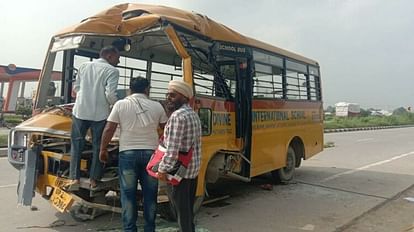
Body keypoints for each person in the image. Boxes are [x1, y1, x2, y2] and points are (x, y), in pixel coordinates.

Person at [99, 77, 168, 232]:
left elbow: (109, 129)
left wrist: (102, 149)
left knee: (128, 194)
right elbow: (167, 130)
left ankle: (130, 229)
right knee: (150, 194)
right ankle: (150, 228)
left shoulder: (121, 104)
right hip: (151, 155)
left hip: (128, 154)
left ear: (130, 89)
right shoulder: (157, 106)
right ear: (147, 89)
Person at [68, 45, 120, 190]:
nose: (119, 61)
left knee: (76, 145)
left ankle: (74, 179)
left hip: (80, 111)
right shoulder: (112, 71)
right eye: (118, 58)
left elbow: (76, 88)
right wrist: (118, 106)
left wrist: (84, 98)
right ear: (109, 56)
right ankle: (94, 179)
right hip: (100, 115)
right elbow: (110, 94)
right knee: (99, 146)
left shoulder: (84, 66)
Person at [156, 79, 202, 232]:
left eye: (173, 95)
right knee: (187, 210)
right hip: (191, 171)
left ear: (184, 97)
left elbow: (172, 149)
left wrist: (162, 169)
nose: (168, 98)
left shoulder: (177, 116)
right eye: (168, 94)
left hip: (178, 173)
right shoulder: (193, 114)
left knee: (180, 212)